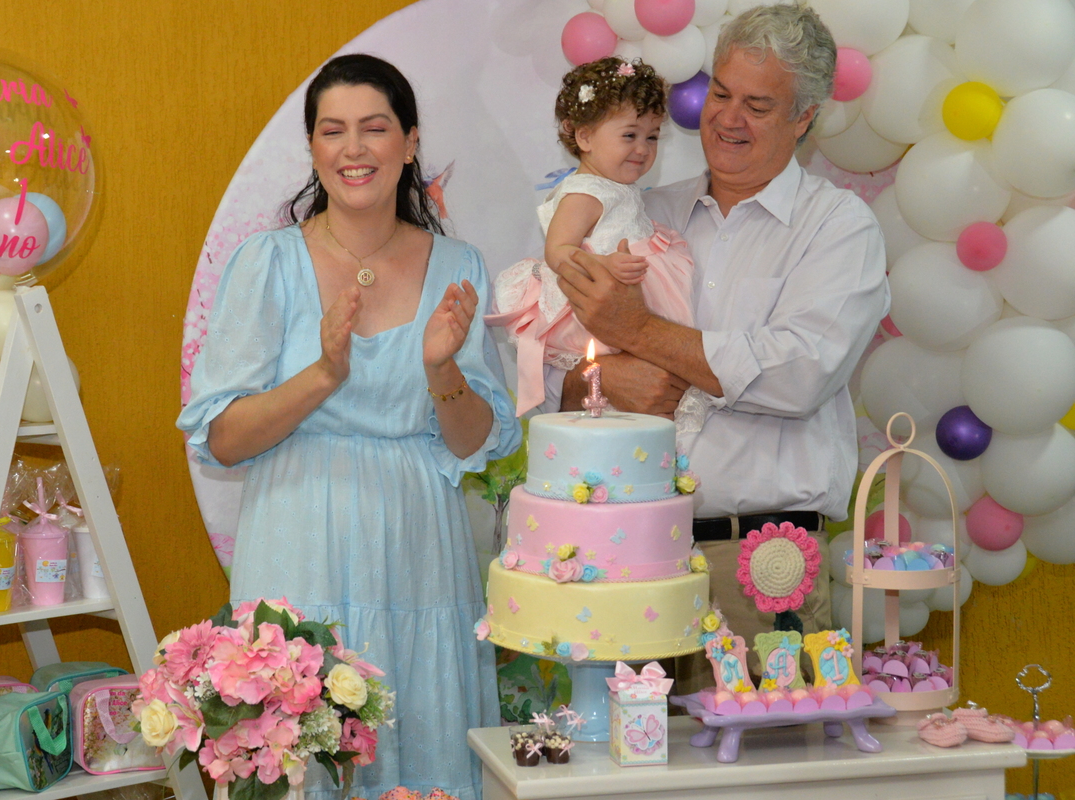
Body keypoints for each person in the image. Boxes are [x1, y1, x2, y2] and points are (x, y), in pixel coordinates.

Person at [178, 54, 521, 800]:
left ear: (411, 141)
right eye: (332, 130)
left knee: (423, 736)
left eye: (375, 127)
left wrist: (440, 368)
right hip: (297, 539)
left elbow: (475, 442)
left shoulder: (458, 265)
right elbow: (222, 439)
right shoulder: (267, 263)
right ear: (312, 148)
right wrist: (323, 374)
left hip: (420, 546)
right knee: (302, 752)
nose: (353, 148)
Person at [546, 4, 890, 687]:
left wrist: (640, 333)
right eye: (722, 94)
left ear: (805, 118)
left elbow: (797, 375)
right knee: (625, 753)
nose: (729, 119)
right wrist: (595, 381)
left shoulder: (837, 227)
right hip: (630, 555)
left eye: (758, 105)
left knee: (766, 749)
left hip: (760, 564)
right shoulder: (645, 210)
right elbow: (564, 356)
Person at [488, 56, 707, 427]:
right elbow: (558, 251)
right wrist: (603, 264)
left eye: (652, 136)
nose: (643, 148)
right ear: (585, 137)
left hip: (636, 296)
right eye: (630, 135)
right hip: (608, 295)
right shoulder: (585, 193)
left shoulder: (616, 187)